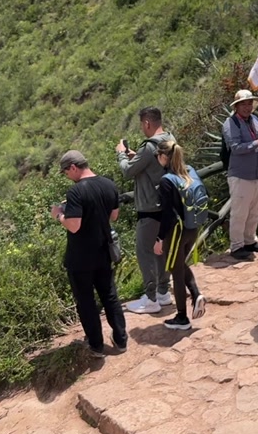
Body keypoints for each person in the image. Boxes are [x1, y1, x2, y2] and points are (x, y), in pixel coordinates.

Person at [53, 151, 127, 357]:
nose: (67, 176)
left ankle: (96, 345)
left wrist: (59, 215)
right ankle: (121, 339)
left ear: (73, 168)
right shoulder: (109, 184)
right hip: (104, 250)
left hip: (80, 256)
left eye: (66, 172)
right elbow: (114, 215)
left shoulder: (76, 192)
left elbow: (74, 226)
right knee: (109, 295)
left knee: (86, 301)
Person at [117, 106, 176, 314]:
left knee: (145, 252)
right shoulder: (170, 139)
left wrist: (121, 155)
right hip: (168, 206)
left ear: (147, 123)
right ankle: (163, 292)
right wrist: (138, 155)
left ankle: (151, 299)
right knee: (162, 251)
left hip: (150, 208)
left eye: (143, 125)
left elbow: (127, 171)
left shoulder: (148, 147)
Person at [152, 139, 208, 330]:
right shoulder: (189, 171)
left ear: (163, 157)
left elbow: (167, 215)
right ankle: (196, 293)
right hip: (193, 228)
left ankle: (182, 317)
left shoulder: (166, 181)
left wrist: (159, 239)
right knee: (180, 263)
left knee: (175, 271)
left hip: (177, 232)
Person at [223, 90, 258, 261]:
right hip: (240, 175)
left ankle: (250, 240)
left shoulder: (255, 120)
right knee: (239, 212)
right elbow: (236, 148)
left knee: (254, 210)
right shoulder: (230, 124)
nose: (247, 107)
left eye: (249, 103)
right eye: (243, 104)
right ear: (236, 106)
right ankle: (237, 246)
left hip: (256, 173)